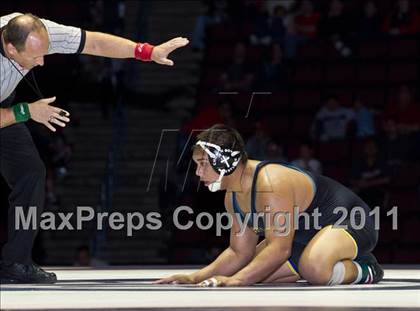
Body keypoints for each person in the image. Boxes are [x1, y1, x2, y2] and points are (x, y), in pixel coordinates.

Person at [0, 12, 188, 284]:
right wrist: (25, 111)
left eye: (44, 52)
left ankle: (15, 263)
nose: (41, 63)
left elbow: (95, 44)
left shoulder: (40, 33)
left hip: (8, 107)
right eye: (33, 57)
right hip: (12, 110)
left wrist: (146, 51)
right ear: (9, 48)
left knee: (31, 174)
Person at [156, 124, 383, 287]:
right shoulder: (232, 197)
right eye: (196, 165)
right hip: (306, 232)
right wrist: (195, 277)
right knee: (258, 271)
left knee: (314, 269)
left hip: (350, 220)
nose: (197, 172)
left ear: (224, 160)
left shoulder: (271, 183)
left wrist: (238, 280)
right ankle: (322, 256)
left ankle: (367, 269)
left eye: (203, 164)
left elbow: (280, 248)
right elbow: (238, 252)